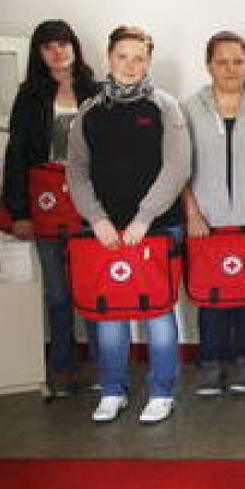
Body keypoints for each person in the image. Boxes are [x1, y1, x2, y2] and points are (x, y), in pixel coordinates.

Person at [67, 25, 192, 424]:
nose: (131, 65)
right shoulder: (89, 111)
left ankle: (161, 391)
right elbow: (77, 171)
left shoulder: (165, 106)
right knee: (108, 314)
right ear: (109, 58)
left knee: (157, 312)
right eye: (123, 56)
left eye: (139, 58)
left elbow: (177, 168)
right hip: (103, 231)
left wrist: (143, 219)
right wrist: (97, 218)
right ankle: (112, 390)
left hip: (155, 228)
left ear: (149, 62)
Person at [0, 20, 102, 397]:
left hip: (89, 200)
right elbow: (17, 156)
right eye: (48, 46)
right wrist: (20, 211)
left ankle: (101, 365)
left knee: (92, 288)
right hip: (44, 202)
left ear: (75, 47)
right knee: (58, 294)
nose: (57, 52)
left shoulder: (96, 90)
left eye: (63, 44)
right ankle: (62, 367)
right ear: (39, 53)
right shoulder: (29, 95)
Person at [183, 31, 245, 397]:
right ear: (208, 66)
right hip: (207, 223)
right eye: (222, 61)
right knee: (212, 296)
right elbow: (178, 168)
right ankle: (210, 364)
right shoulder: (187, 109)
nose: (230, 68)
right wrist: (192, 213)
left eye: (238, 61)